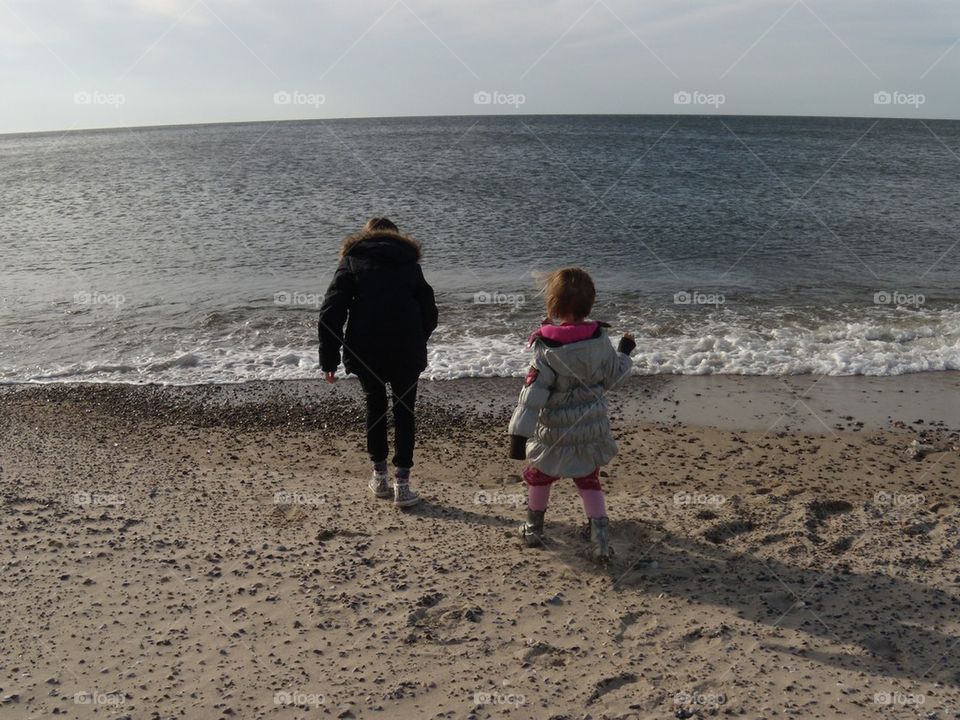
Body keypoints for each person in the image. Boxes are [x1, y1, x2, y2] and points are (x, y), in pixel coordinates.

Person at [507, 267, 635, 563]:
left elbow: (531, 397)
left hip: (554, 432)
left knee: (540, 477)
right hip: (590, 429)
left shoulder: (547, 348)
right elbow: (614, 377)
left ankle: (533, 528)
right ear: (589, 304)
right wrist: (625, 353)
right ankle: (600, 539)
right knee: (589, 480)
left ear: (552, 305)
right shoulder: (600, 340)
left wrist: (518, 435)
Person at [318, 218, 438, 507]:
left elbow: (330, 311)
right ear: (396, 238)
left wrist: (329, 360)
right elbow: (430, 311)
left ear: (366, 235)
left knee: (375, 406)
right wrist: (418, 337)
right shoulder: (410, 264)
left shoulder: (352, 260)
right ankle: (403, 486)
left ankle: (381, 478)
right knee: (405, 410)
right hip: (406, 349)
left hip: (365, 349)